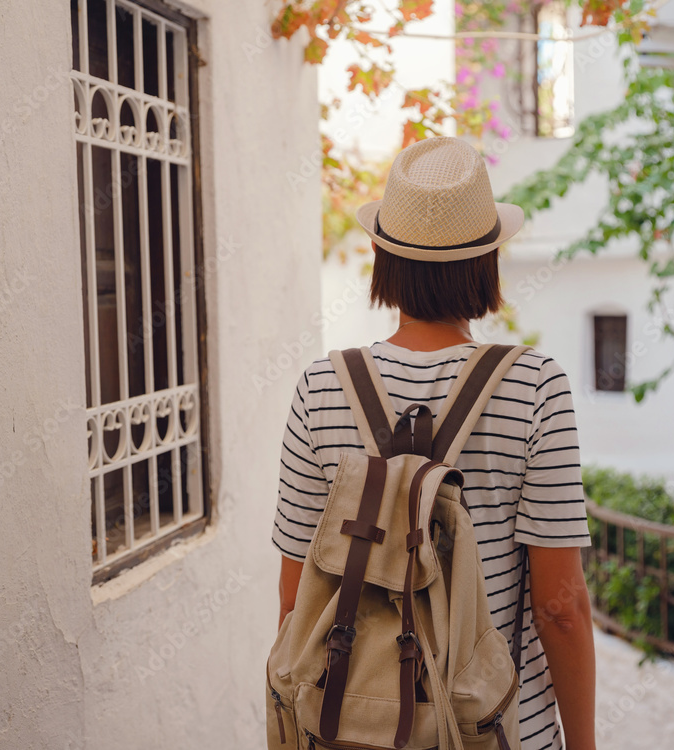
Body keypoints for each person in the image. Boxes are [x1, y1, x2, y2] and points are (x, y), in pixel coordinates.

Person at [271, 136, 597, 750]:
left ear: (382, 258)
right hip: (495, 731)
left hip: (353, 729)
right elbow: (560, 606)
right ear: (488, 261)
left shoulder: (320, 388)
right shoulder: (535, 386)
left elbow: (297, 600)